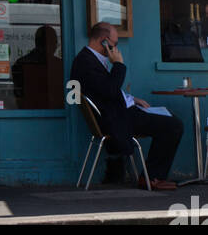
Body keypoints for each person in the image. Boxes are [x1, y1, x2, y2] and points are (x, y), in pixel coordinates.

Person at [70, 21, 184, 189]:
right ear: (104, 40)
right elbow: (109, 90)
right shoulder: (86, 62)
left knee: (168, 118)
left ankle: (152, 175)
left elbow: (104, 89)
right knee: (173, 125)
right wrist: (119, 64)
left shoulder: (89, 59)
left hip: (119, 113)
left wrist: (132, 98)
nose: (116, 48)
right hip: (116, 119)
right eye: (114, 44)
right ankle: (151, 177)